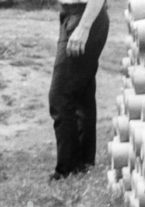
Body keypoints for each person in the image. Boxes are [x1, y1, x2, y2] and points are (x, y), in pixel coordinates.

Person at [48, 0, 109, 180]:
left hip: (84, 17)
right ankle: (83, 165)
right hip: (72, 15)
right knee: (82, 95)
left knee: (59, 97)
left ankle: (67, 170)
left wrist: (84, 26)